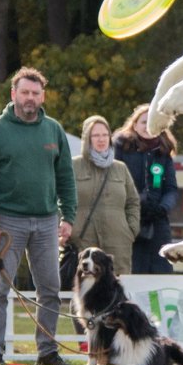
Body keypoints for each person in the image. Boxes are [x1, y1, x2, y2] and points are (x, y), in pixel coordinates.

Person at [0, 67, 77, 365]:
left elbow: (66, 177)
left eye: (35, 93)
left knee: (51, 289)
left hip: (46, 221)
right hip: (6, 221)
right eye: (25, 92)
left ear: (42, 96)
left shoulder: (53, 129)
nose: (30, 98)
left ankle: (47, 352)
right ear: (13, 94)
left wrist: (67, 216)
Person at [114, 104, 179, 275]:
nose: (148, 126)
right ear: (134, 125)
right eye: (144, 122)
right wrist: (135, 205)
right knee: (133, 271)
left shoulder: (164, 152)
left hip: (157, 222)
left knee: (161, 271)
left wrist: (162, 208)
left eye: (152, 122)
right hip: (128, 220)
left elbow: (171, 189)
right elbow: (114, 183)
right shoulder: (121, 148)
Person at [70, 115, 139, 274]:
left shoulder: (120, 168)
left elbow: (133, 202)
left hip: (118, 243)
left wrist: (131, 230)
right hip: (83, 241)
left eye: (104, 135)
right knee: (85, 289)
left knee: (119, 289)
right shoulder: (74, 166)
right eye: (95, 135)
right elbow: (61, 199)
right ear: (87, 139)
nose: (101, 139)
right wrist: (70, 231)